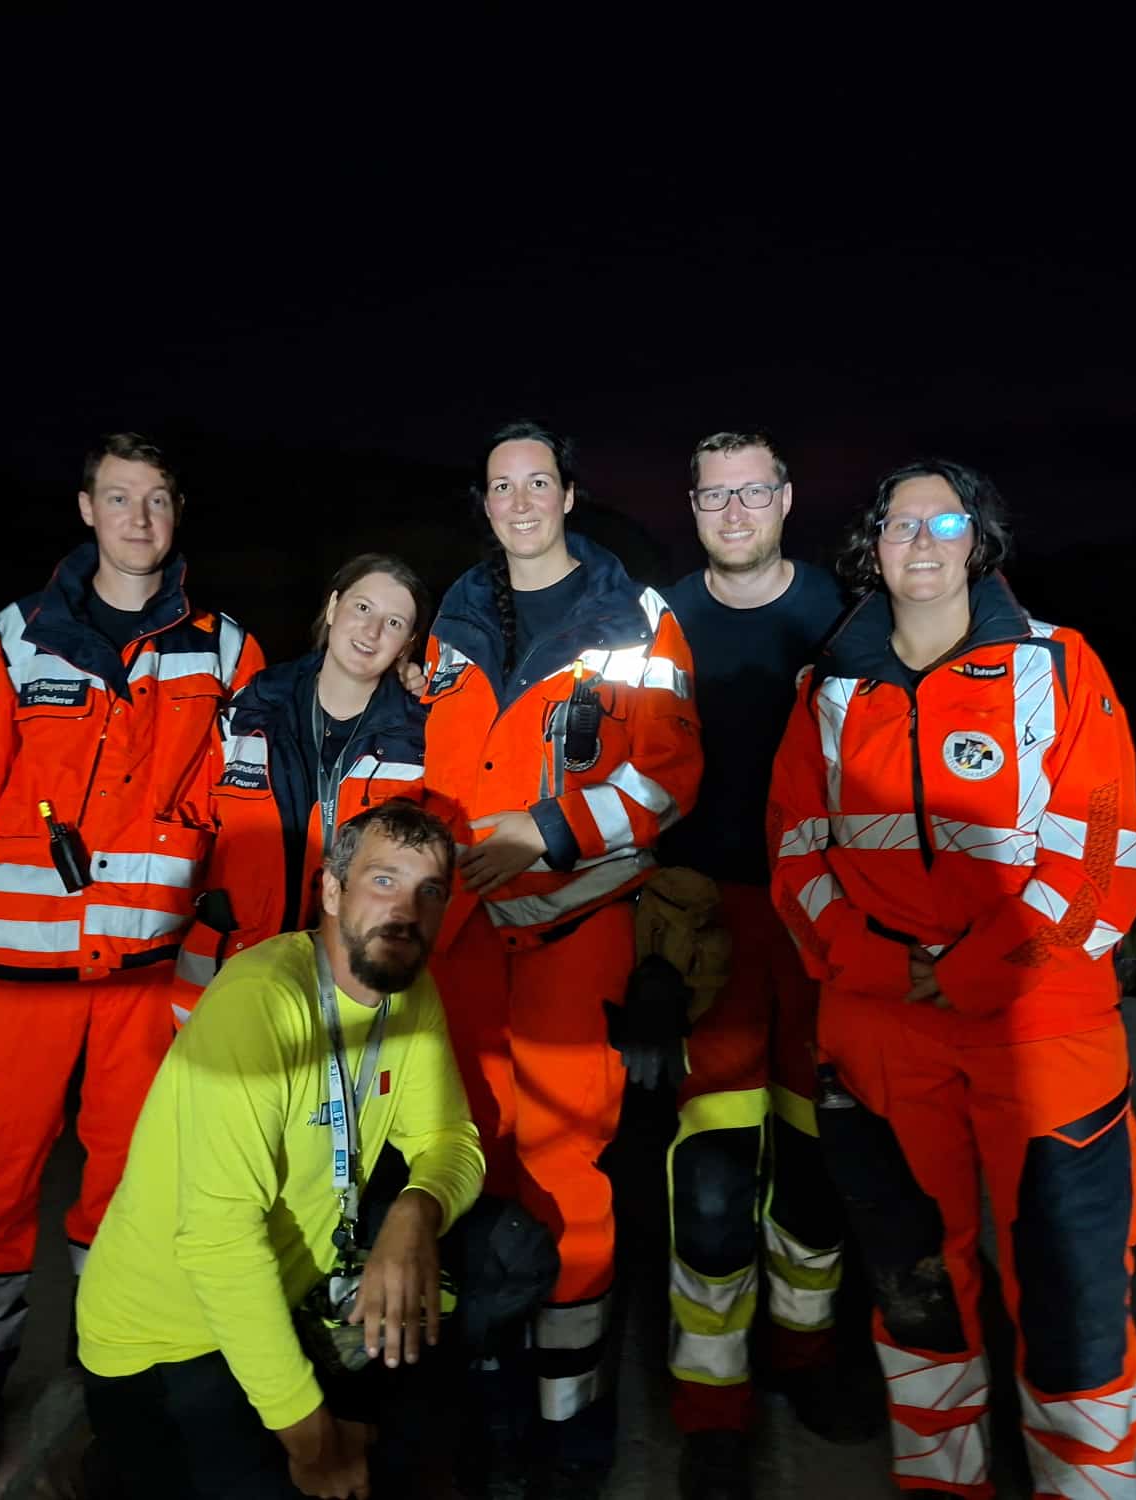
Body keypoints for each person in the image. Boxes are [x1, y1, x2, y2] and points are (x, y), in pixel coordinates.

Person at [768, 459, 1136, 1499]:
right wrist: (881, 964)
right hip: (880, 1026)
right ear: (873, 547)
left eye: (946, 522)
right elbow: (796, 852)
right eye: (901, 524)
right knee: (917, 1289)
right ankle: (944, 1485)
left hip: (1044, 1026)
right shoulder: (825, 688)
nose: (923, 542)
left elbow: (1100, 854)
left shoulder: (1059, 665)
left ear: (979, 541)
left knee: (1072, 1297)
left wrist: (981, 969)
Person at [0, 432, 264, 1484]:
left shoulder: (226, 651)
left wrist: (218, 953)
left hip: (147, 975)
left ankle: (105, 1357)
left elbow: (243, 818)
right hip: (17, 977)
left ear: (176, 511)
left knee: (127, 1184)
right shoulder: (14, 638)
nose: (138, 519)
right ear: (85, 509)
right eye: (119, 498)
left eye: (155, 499)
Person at [78, 800, 549, 1500]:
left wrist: (417, 1211)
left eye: (429, 891)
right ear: (331, 890)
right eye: (383, 881)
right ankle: (127, 1462)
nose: (406, 911)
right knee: (298, 1476)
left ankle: (387, 1419)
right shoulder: (261, 1003)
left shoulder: (407, 988)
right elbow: (218, 1243)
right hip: (172, 1336)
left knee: (510, 1249)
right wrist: (313, 1441)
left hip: (299, 1293)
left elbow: (449, 1140)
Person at [422, 419, 703, 1494]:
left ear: (569, 495)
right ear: (485, 505)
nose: (521, 501)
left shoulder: (637, 620)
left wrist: (545, 832)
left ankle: (569, 1428)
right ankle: (488, 1403)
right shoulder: (451, 622)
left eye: (538, 481)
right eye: (501, 486)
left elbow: (668, 777)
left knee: (564, 1179)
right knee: (459, 1163)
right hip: (456, 945)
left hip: (573, 933)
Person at [648, 430, 870, 1500]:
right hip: (706, 926)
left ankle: (805, 1357)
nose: (733, 512)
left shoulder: (843, 615)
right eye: (713, 496)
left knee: (818, 1171)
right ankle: (713, 1406)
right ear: (691, 507)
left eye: (752, 493)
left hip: (824, 922)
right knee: (711, 1184)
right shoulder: (658, 620)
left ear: (785, 498)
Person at [175, 554, 437, 1004]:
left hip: (350, 984)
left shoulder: (420, 741)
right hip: (227, 973)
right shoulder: (249, 710)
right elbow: (191, 824)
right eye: (362, 608)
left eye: (394, 623)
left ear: (407, 644)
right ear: (333, 608)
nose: (372, 631)